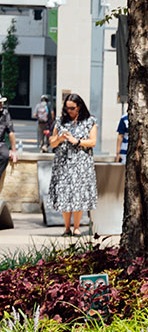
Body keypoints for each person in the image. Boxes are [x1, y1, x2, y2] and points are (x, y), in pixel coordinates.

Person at [48, 93, 98, 236]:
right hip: (63, 162)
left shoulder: (90, 121)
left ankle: (76, 228)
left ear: (79, 107)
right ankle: (66, 228)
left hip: (81, 163)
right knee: (64, 193)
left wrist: (75, 141)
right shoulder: (60, 121)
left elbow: (93, 142)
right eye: (66, 108)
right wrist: (60, 138)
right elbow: (52, 142)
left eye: (72, 108)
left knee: (78, 193)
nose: (68, 111)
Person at [0, 95, 17, 195]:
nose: (1, 104)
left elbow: (11, 132)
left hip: (0, 143)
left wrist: (14, 150)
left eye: (1, 102)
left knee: (5, 155)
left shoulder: (5, 113)